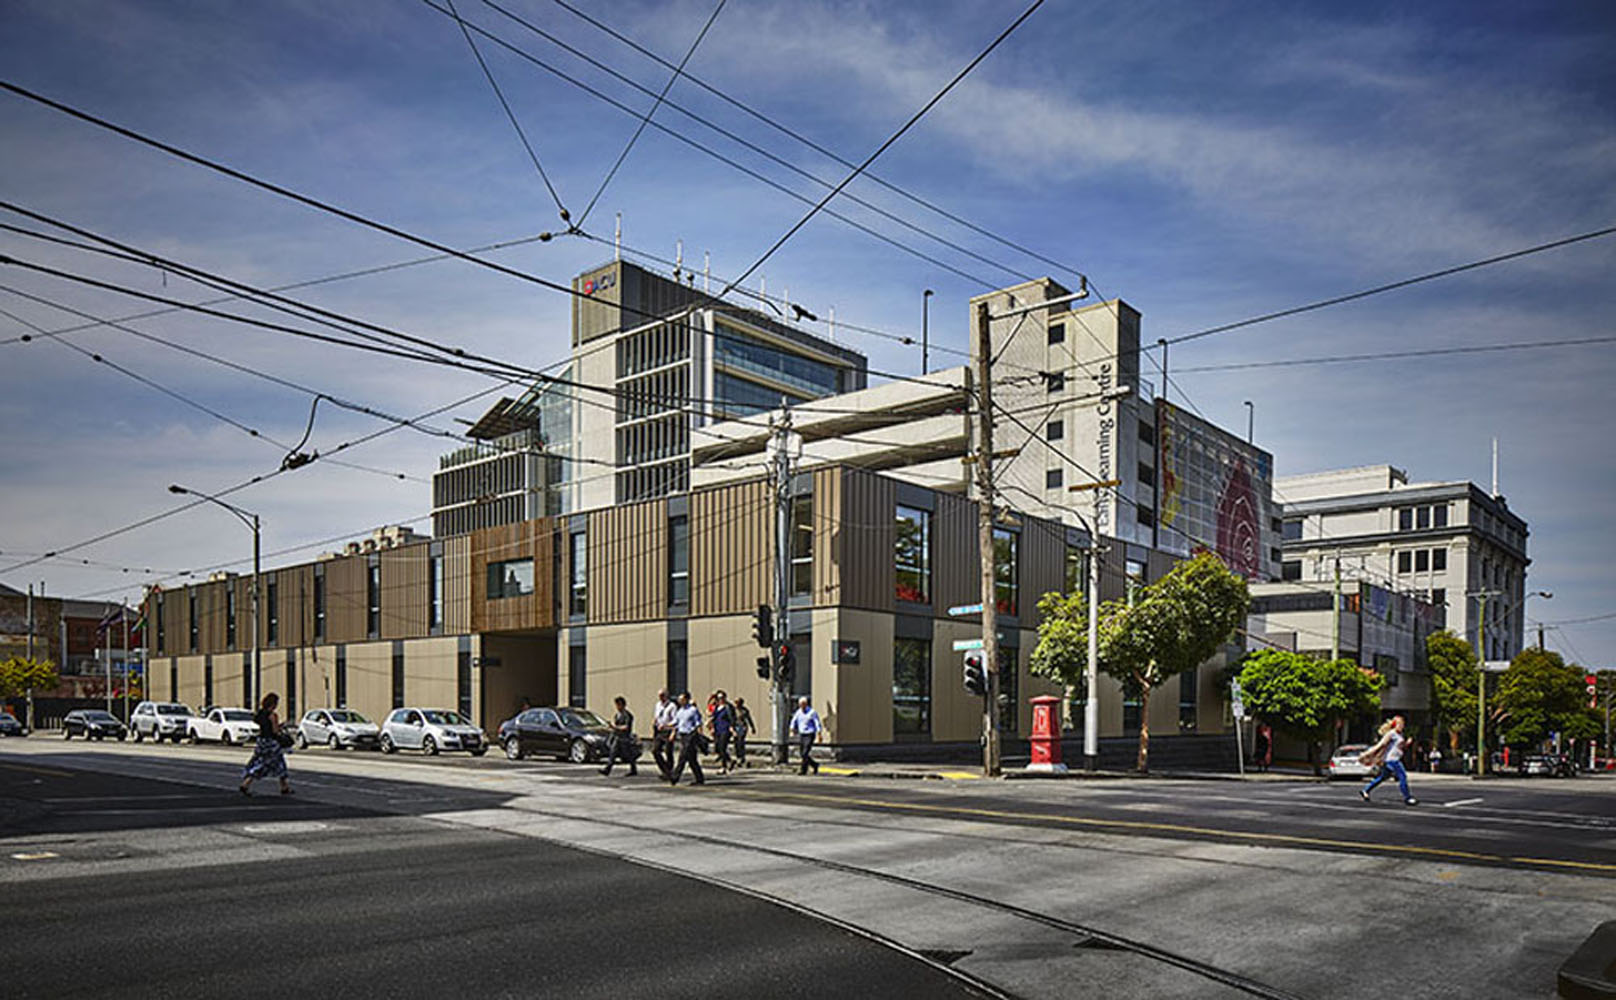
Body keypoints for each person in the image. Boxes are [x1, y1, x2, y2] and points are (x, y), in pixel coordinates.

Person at [239, 692, 292, 797]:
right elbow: (275, 731)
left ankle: (284, 787)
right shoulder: (273, 715)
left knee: (268, 762)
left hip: (261, 741)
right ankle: (245, 784)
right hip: (271, 743)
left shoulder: (260, 714)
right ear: (273, 704)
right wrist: (281, 727)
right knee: (269, 764)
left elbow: (262, 725)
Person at [1359, 715, 1417, 805]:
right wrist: (1366, 754)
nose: (1402, 726)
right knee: (1402, 777)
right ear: (1395, 725)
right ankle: (1407, 797)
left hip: (1393, 759)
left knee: (1383, 777)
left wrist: (1407, 744)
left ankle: (1365, 790)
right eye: (1400, 724)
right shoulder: (1391, 734)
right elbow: (1380, 745)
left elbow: (1400, 747)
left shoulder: (1399, 735)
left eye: (1403, 724)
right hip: (1392, 760)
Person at [667, 692, 705, 786]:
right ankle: (699, 778)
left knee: (682, 756)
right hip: (683, 736)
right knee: (692, 759)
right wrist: (669, 727)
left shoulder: (693, 710)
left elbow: (698, 723)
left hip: (690, 735)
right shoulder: (680, 711)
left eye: (682, 699)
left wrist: (700, 735)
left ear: (687, 699)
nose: (680, 701)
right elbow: (676, 722)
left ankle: (674, 777)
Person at [600, 695, 637, 777]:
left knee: (628, 754)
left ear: (623, 705)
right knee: (612, 753)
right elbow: (616, 726)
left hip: (625, 738)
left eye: (619, 705)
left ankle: (633, 769)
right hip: (617, 737)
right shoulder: (617, 715)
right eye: (616, 705)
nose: (617, 707)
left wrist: (615, 727)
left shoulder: (628, 715)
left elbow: (626, 727)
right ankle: (607, 769)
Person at [789, 696, 822, 775]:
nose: (802, 706)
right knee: (802, 753)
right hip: (802, 734)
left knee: (805, 753)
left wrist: (819, 734)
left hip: (810, 734)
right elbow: (794, 721)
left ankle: (803, 770)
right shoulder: (798, 712)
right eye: (800, 704)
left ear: (806, 704)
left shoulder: (812, 712)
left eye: (803, 704)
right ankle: (815, 765)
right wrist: (792, 730)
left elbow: (817, 723)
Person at [651, 689, 677, 778]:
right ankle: (665, 769)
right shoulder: (658, 705)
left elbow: (675, 720)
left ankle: (669, 771)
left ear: (667, 695)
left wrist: (672, 730)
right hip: (659, 731)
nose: (661, 697)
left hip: (668, 730)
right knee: (655, 750)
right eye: (659, 695)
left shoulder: (672, 706)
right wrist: (655, 722)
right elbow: (657, 716)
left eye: (662, 695)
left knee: (668, 751)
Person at [710, 691, 735, 773]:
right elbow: (714, 718)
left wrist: (732, 727)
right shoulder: (717, 707)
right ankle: (729, 760)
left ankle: (723, 767)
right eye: (718, 698)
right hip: (718, 729)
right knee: (717, 748)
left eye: (722, 697)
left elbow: (732, 718)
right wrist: (712, 728)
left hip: (725, 729)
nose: (720, 699)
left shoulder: (728, 707)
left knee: (722, 747)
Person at [733, 697, 755, 768]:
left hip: (742, 726)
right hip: (735, 726)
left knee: (740, 741)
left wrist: (752, 727)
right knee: (736, 742)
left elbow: (749, 719)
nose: (737, 704)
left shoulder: (744, 710)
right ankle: (737, 756)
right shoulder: (733, 710)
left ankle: (742, 757)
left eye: (738, 702)